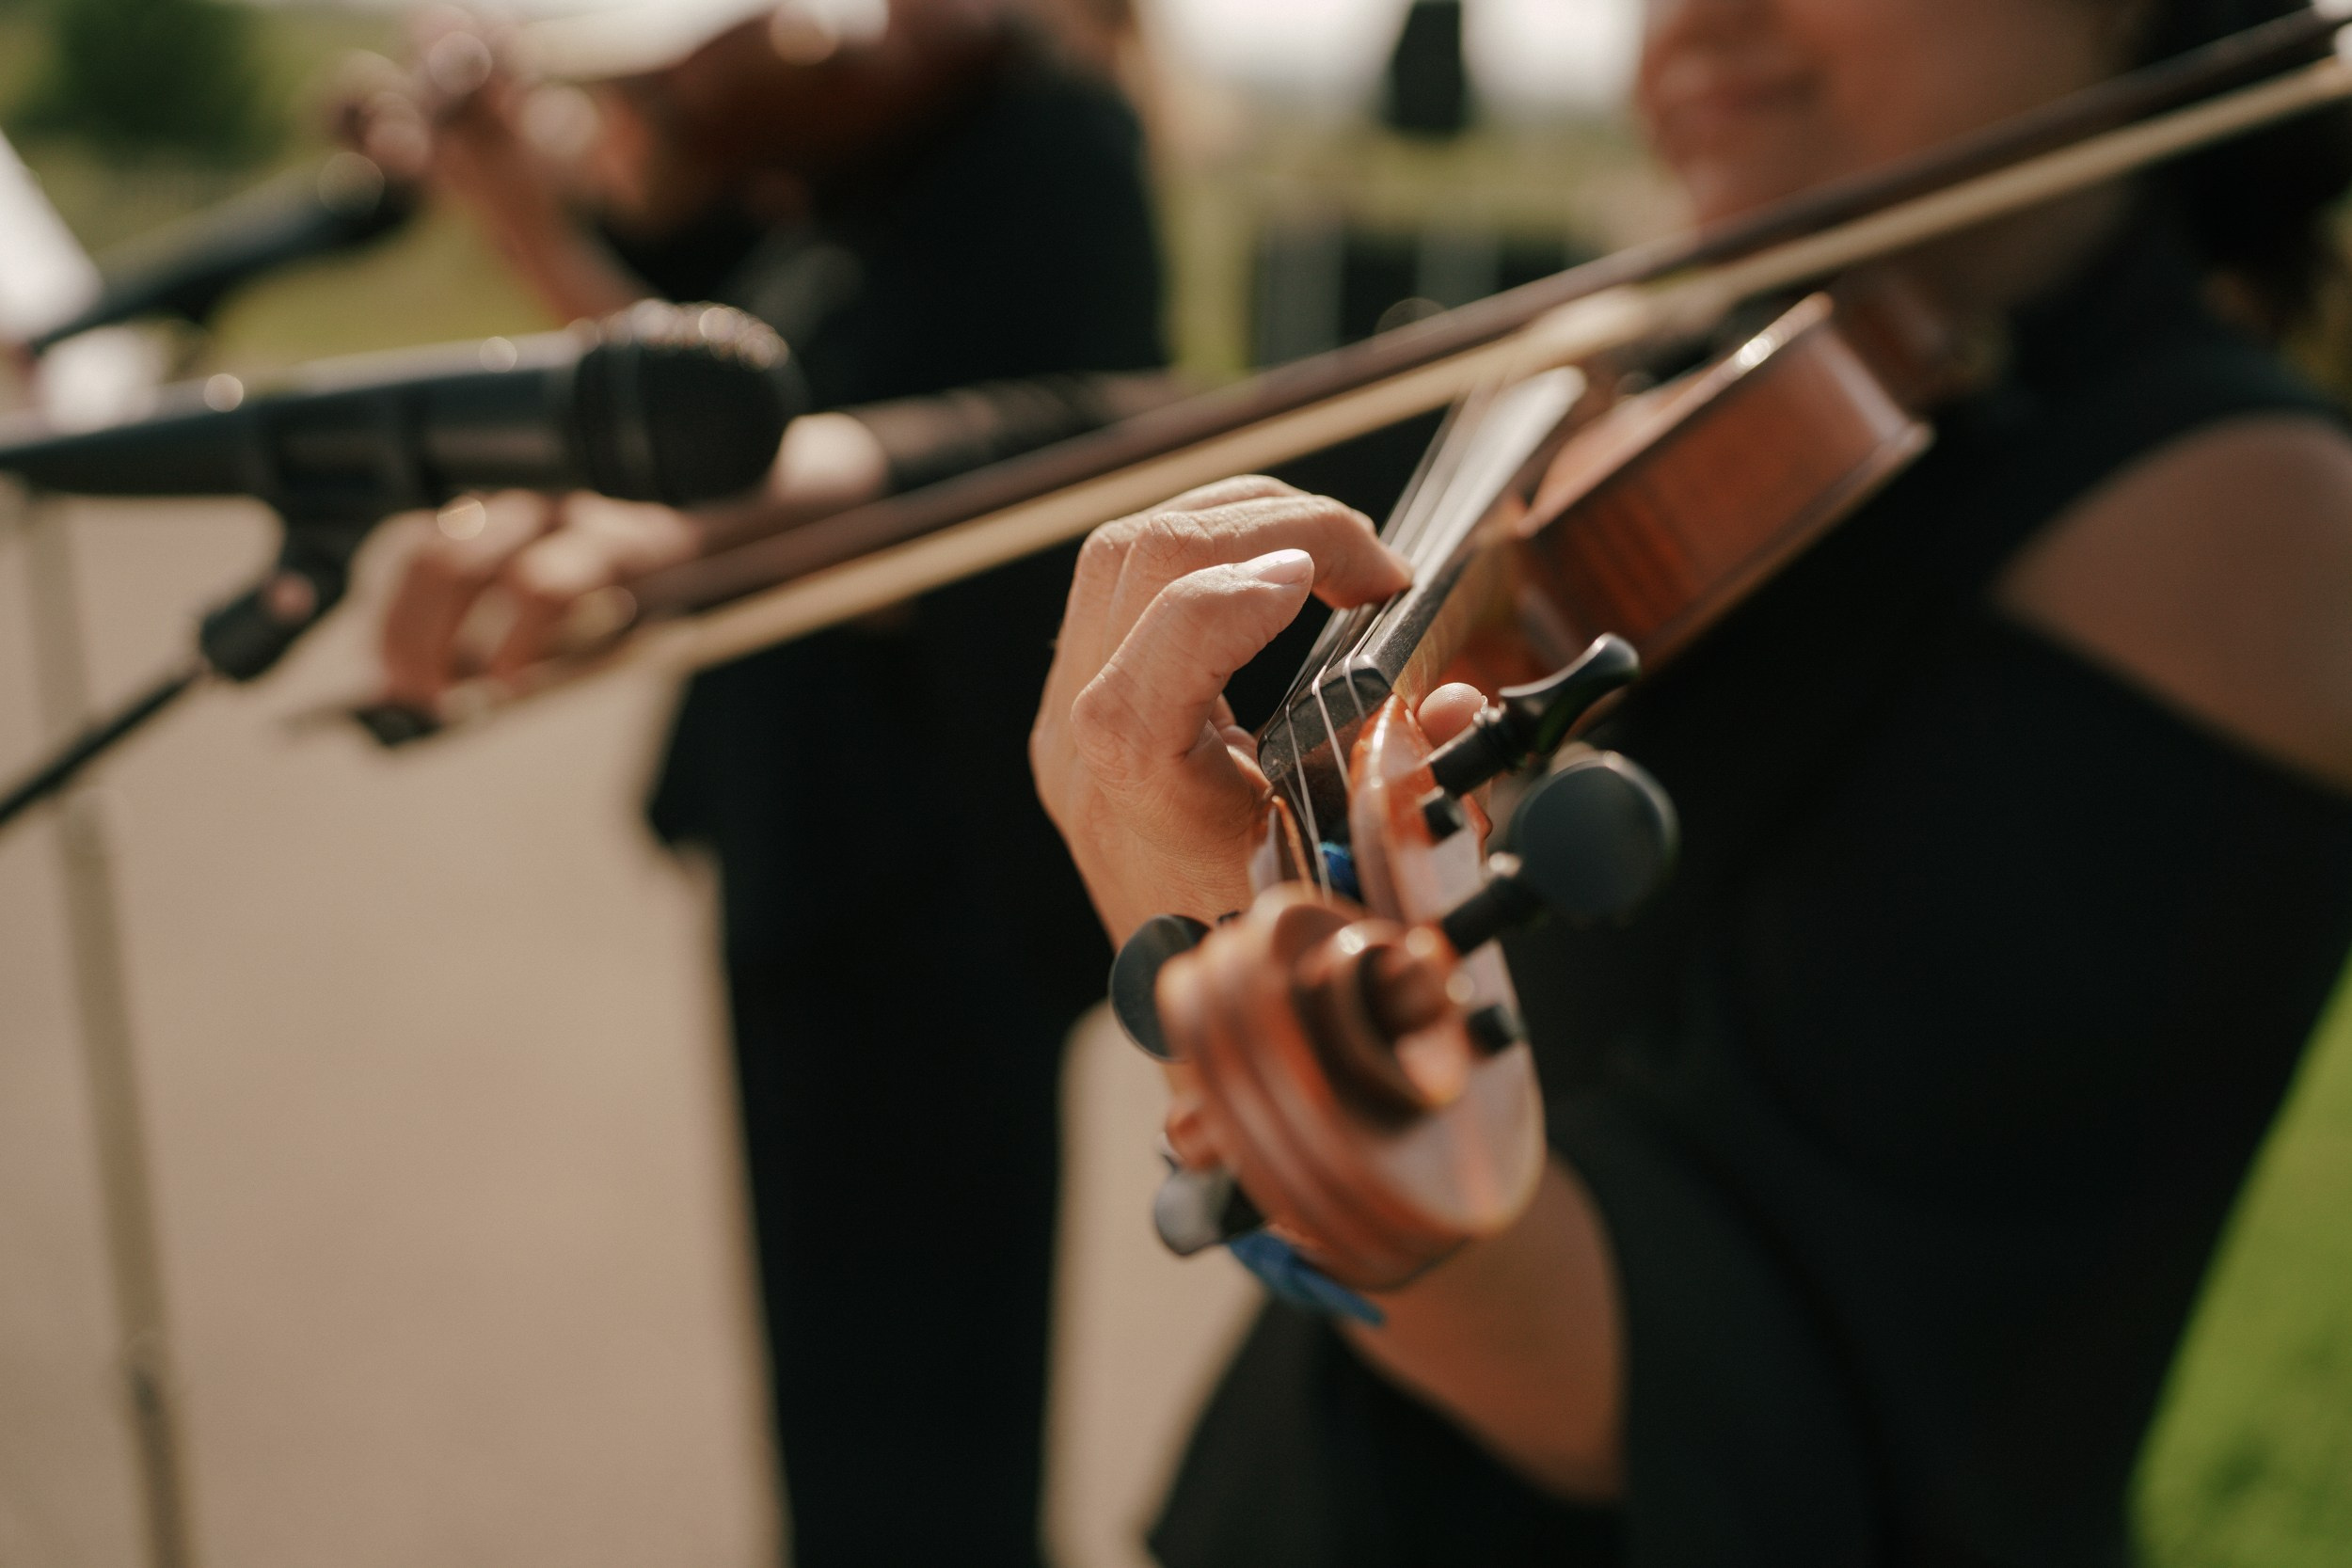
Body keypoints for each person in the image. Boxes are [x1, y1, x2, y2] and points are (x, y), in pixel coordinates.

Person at [1028, 0, 2352, 1563]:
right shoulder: (1742, 352)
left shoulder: (2251, 521)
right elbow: (1170, 439)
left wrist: (1254, 999)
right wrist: (820, 475)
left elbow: (1721, 1401)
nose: (1689, 29)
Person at [353, 6, 1165, 1563]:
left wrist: (534, 219)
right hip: (807, 831)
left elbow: (769, 453)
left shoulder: (1045, 145)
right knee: (831, 1376)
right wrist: (522, 194)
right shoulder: (860, 159)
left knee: (919, 1413)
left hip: (929, 868)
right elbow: (678, 355)